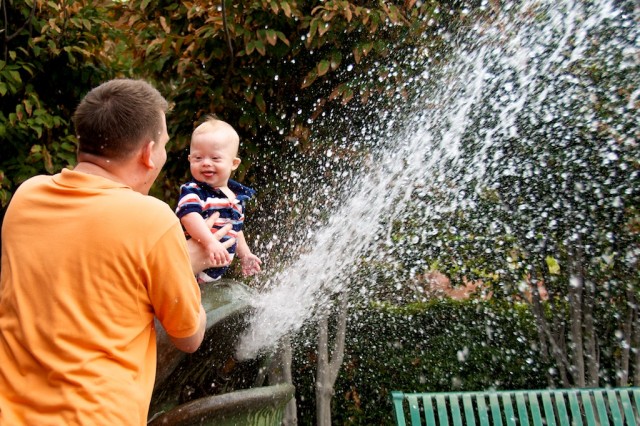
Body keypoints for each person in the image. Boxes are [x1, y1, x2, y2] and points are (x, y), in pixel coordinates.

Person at [0, 79, 233, 425]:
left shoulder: (26, 198)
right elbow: (189, 336)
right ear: (147, 153)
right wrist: (186, 263)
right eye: (165, 146)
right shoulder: (153, 221)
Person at [176, 116, 261, 283]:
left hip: (211, 274)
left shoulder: (236, 197)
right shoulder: (194, 191)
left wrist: (245, 254)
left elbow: (236, 229)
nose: (206, 163)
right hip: (190, 271)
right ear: (190, 159)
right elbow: (188, 217)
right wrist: (209, 243)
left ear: (234, 163)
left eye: (215, 158)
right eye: (198, 158)